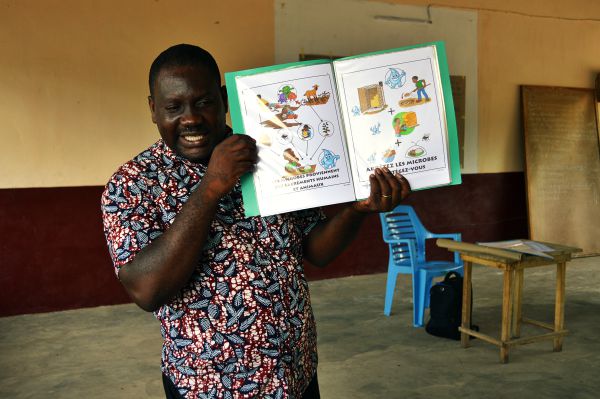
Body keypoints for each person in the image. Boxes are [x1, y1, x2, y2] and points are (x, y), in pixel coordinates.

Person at [101, 44, 411, 399]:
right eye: (174, 107)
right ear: (154, 110)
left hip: (294, 373)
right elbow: (146, 290)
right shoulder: (132, 184)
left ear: (223, 98)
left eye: (203, 102)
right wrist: (212, 186)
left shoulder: (273, 155)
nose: (190, 119)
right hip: (208, 386)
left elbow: (316, 248)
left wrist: (359, 210)